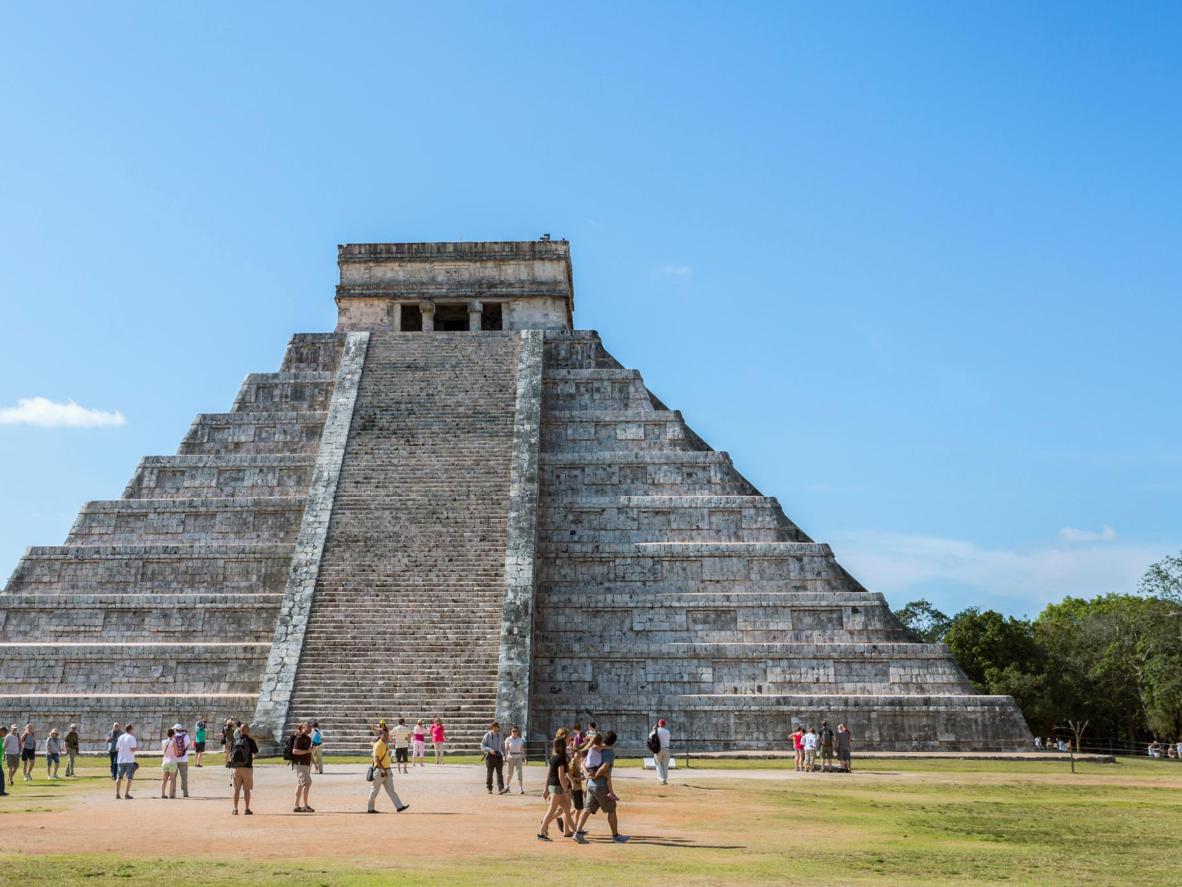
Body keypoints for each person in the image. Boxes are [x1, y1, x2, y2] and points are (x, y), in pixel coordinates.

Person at [574, 731, 627, 843]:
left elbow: (582, 763)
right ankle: (615, 836)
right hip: (601, 786)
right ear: (613, 742)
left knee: (587, 809)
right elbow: (604, 767)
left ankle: (577, 833)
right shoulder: (609, 752)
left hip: (590, 786)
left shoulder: (593, 748)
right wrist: (596, 776)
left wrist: (588, 775)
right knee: (611, 809)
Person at [537, 736, 574, 840]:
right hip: (558, 788)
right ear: (562, 746)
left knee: (566, 810)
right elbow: (561, 776)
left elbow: (549, 774)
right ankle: (541, 832)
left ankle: (576, 832)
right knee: (552, 811)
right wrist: (566, 790)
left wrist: (546, 788)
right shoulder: (561, 758)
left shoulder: (553, 757)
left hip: (553, 786)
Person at [368, 725, 410, 814]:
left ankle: (399, 806)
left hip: (387, 770)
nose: (387, 737)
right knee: (375, 790)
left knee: (391, 790)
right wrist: (383, 770)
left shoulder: (384, 744)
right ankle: (370, 808)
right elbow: (376, 759)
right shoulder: (378, 745)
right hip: (380, 771)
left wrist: (388, 770)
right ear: (380, 735)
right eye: (385, 735)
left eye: (387, 735)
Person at [230, 723, 259, 815]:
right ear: (248, 730)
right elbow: (256, 751)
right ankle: (246, 809)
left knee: (236, 790)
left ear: (240, 730)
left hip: (236, 768)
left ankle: (235, 809)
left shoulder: (234, 741)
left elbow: (231, 752)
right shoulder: (250, 740)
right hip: (247, 767)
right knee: (247, 789)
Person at [291, 721, 314, 813]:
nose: (309, 728)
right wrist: (307, 752)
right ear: (303, 727)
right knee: (307, 783)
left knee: (300, 784)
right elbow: (295, 751)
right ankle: (305, 806)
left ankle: (296, 805)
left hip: (306, 764)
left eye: (310, 727)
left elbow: (309, 751)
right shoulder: (299, 738)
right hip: (300, 764)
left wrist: (314, 763)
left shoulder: (308, 738)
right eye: (308, 727)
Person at [480, 721, 506, 794]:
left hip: (498, 756)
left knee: (499, 773)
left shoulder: (500, 735)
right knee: (490, 773)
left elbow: (503, 747)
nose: (495, 728)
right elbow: (482, 745)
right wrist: (490, 750)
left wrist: (505, 756)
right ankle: (489, 788)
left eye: (496, 727)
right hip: (490, 756)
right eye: (494, 726)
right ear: (492, 727)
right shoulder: (487, 735)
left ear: (498, 728)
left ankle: (501, 789)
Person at [115, 723, 137, 799]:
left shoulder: (120, 737)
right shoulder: (132, 737)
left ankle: (117, 794)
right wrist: (136, 749)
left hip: (121, 759)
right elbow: (132, 748)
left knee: (119, 777)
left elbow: (117, 749)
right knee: (129, 777)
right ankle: (126, 794)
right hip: (129, 759)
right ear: (130, 729)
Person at [170, 723, 191, 798]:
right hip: (184, 759)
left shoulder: (173, 737)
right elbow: (187, 745)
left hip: (174, 759)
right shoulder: (186, 736)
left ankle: (172, 794)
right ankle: (185, 793)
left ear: (175, 729)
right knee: (184, 778)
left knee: (173, 778)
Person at [504, 725, 527, 794]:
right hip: (510, 756)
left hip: (518, 757)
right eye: (513, 731)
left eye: (516, 731)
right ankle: (507, 786)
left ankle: (520, 788)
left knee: (519, 773)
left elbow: (522, 749)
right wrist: (505, 757)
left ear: (517, 732)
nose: (514, 732)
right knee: (509, 773)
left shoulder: (520, 739)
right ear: (511, 732)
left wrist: (525, 758)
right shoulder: (508, 739)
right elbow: (506, 749)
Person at [160, 727, 179, 799]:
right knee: (172, 779)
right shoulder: (173, 742)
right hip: (172, 761)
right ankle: (171, 794)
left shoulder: (163, 742)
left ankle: (163, 793)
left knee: (164, 779)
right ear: (173, 734)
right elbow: (176, 753)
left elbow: (163, 751)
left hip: (165, 761)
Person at [651, 718, 672, 785]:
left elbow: (650, 736)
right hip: (667, 749)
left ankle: (661, 780)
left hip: (659, 749)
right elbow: (668, 738)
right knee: (665, 765)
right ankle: (665, 779)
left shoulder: (656, 731)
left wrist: (653, 729)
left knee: (658, 764)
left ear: (659, 724)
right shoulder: (667, 731)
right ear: (664, 724)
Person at [0, 727, 8, 796]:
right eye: (4, 732)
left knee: (1, 776)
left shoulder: (1, 739)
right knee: (1, 776)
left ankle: (1, 791)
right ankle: (1, 792)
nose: (5, 734)